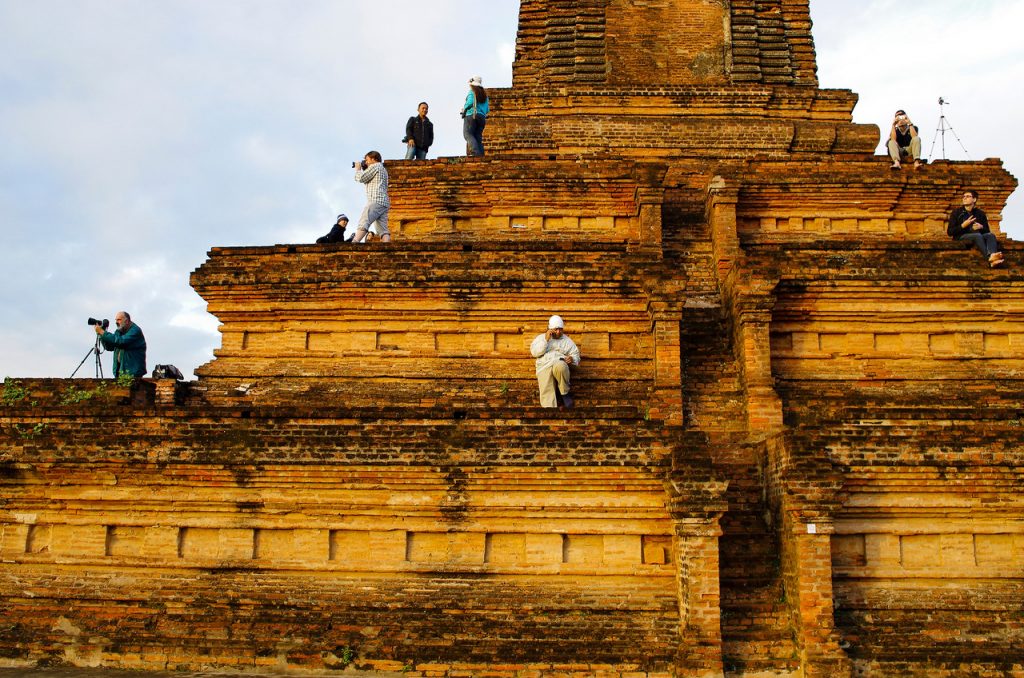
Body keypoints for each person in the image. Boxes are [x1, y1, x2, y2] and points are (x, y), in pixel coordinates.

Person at [529, 315, 580, 409]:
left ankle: (564, 393)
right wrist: (546, 340)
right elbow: (535, 353)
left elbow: (575, 354)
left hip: (558, 363)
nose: (558, 332)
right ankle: (550, 409)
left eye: (560, 329)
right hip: (544, 366)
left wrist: (572, 358)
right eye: (556, 329)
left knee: (561, 366)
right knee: (546, 392)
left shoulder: (567, 341)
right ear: (550, 329)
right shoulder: (541, 338)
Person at [947, 189, 1005, 268]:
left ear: (974, 199)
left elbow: (987, 231)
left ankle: (992, 255)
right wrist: (963, 225)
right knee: (977, 235)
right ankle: (989, 258)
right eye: (963, 197)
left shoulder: (980, 213)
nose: (964, 198)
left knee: (990, 235)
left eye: (967, 196)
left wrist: (981, 227)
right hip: (961, 236)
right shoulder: (957, 212)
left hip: (978, 236)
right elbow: (950, 232)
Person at [95, 311, 147, 379]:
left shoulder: (135, 330)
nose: (116, 322)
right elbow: (109, 347)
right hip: (120, 373)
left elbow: (121, 341)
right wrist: (101, 335)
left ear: (127, 321)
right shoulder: (119, 331)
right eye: (116, 320)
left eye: (119, 320)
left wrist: (103, 332)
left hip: (132, 373)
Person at [352, 151, 390, 243]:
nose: (366, 162)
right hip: (384, 202)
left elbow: (361, 178)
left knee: (365, 220)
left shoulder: (375, 166)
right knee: (382, 228)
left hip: (375, 199)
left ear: (374, 159)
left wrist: (358, 169)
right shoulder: (383, 169)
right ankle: (387, 247)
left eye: (367, 160)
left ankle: (355, 242)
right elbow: (369, 179)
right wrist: (365, 168)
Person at [462, 76, 489, 157]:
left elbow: (470, 102)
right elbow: (487, 109)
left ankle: (475, 153)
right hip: (482, 117)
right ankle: (481, 155)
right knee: (478, 137)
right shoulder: (485, 95)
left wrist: (464, 109)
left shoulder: (472, 91)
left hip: (472, 115)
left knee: (468, 134)